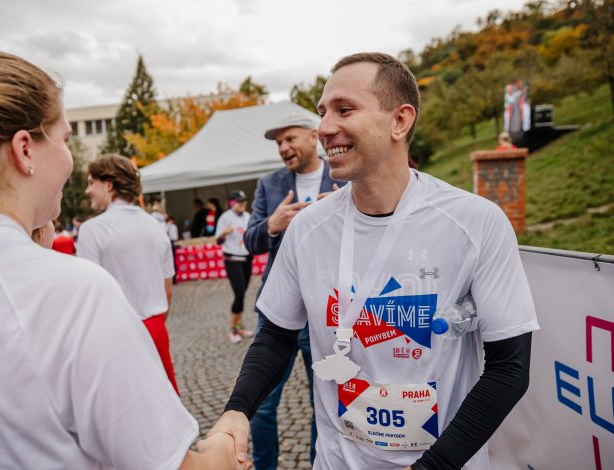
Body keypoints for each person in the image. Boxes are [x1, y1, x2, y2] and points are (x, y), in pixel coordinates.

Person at [0, 49, 243, 470]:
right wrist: (228, 440)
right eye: (66, 139)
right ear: (24, 150)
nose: (70, 161)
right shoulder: (69, 293)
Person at [212, 52, 538, 470]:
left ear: (399, 121)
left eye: (345, 110)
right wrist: (237, 409)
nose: (326, 128)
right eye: (323, 112)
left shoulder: (476, 223)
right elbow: (276, 336)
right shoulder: (307, 228)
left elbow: (510, 368)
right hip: (337, 460)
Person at [245, 114, 344, 469]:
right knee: (261, 401)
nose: (284, 148)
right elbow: (250, 240)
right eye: (278, 144)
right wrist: (273, 223)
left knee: (327, 401)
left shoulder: (343, 175)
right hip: (279, 310)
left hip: (330, 309)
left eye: (290, 139)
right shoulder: (269, 184)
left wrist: (343, 212)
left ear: (314, 136)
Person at [78, 154, 181, 395]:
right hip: (156, 330)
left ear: (109, 184)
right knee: (165, 406)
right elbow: (167, 291)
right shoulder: (156, 227)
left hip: (117, 336)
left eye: (91, 182)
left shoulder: (92, 230)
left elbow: (90, 296)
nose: (87, 190)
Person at [215, 190, 254, 344]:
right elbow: (217, 241)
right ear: (231, 203)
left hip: (246, 258)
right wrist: (224, 233)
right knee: (238, 294)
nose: (243, 204)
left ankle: (239, 326)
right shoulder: (225, 217)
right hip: (232, 259)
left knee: (242, 294)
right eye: (239, 201)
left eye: (244, 201)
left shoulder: (247, 216)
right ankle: (233, 329)